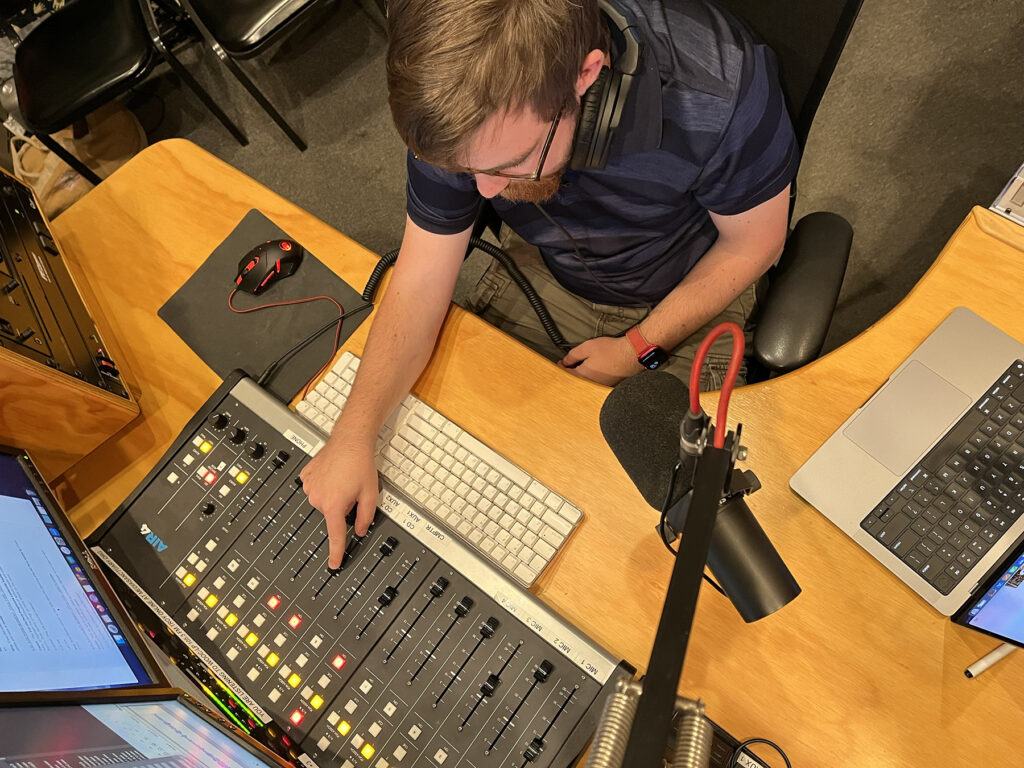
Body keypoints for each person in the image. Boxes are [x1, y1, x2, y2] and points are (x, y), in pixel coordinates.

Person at [301, 0, 799, 568]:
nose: (484, 193)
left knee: (654, 550)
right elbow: (417, 279)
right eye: (468, 172)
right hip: (548, 273)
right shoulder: (462, 102)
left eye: (508, 165)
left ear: (587, 78)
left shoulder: (721, 91)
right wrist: (352, 433)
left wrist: (637, 349)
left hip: (692, 286)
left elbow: (755, 244)